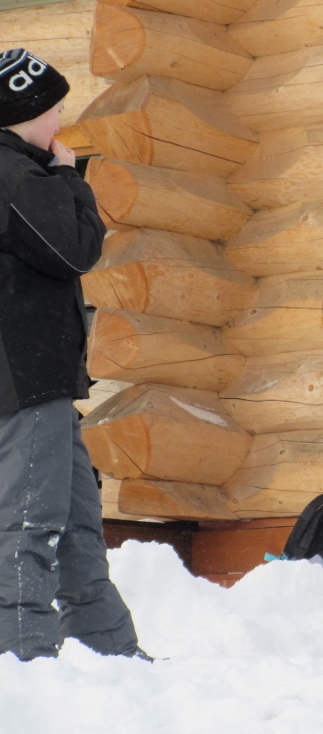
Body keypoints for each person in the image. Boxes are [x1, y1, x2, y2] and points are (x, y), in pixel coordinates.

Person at [0, 49, 143, 660]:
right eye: (53, 110)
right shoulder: (15, 176)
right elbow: (75, 248)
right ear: (25, 114)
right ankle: (23, 658)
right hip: (25, 379)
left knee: (77, 525)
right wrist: (67, 177)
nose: (60, 121)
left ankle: (112, 655)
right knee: (30, 524)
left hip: (41, 381)